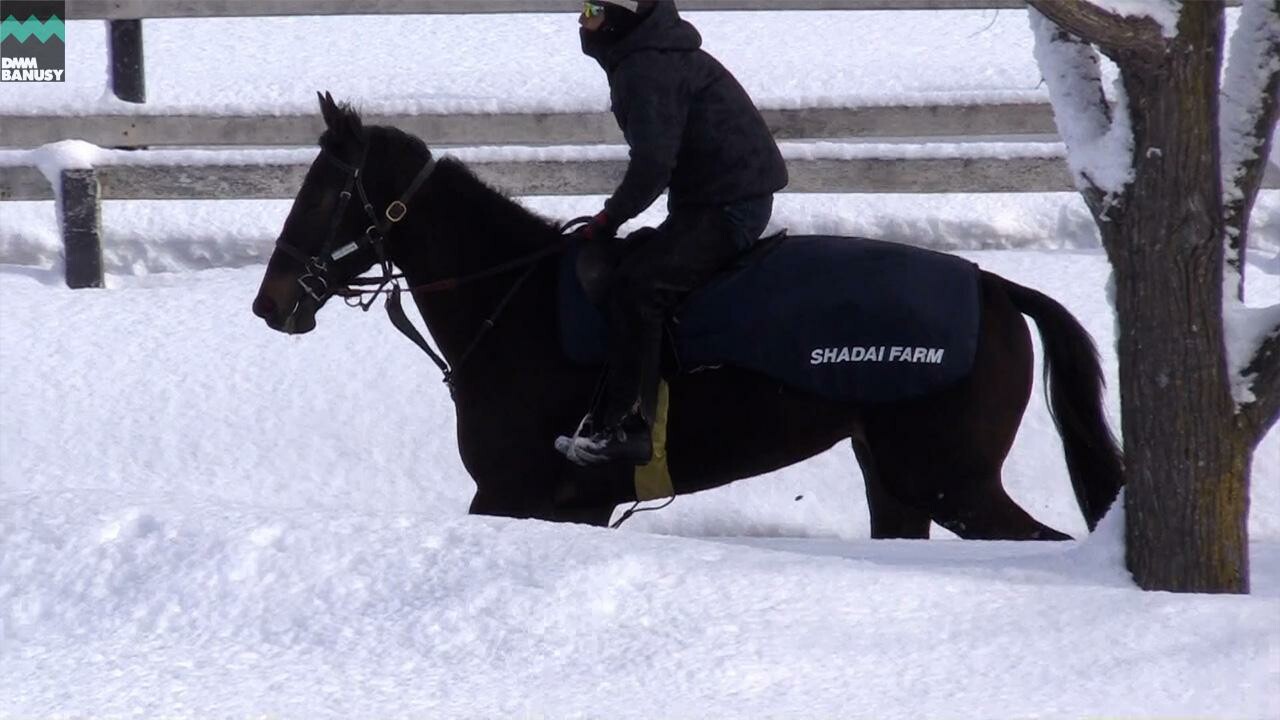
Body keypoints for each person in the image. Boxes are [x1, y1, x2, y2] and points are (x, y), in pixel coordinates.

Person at [556, 0, 788, 467]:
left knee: (639, 288)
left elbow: (653, 165)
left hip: (730, 206)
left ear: (621, 17)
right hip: (711, 200)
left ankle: (628, 428)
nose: (583, 19)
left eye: (594, 8)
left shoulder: (645, 67)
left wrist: (608, 219)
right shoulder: (647, 54)